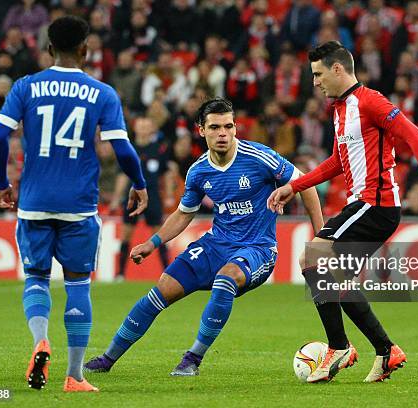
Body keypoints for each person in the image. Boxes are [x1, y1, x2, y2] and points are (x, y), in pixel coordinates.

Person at [83, 98, 323, 376]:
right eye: (215, 127)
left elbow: (307, 185)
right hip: (216, 244)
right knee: (162, 289)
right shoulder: (198, 171)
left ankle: (192, 359)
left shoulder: (259, 157)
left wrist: (321, 236)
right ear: (201, 130)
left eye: (228, 126)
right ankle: (108, 358)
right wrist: (153, 242)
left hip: (258, 248)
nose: (223, 133)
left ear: (235, 128)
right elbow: (184, 213)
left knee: (226, 278)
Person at [268, 41, 418, 383]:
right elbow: (339, 162)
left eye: (319, 74)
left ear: (338, 69)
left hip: (375, 204)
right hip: (365, 205)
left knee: (312, 258)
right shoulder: (340, 111)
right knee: (334, 278)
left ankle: (339, 347)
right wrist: (294, 185)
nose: (316, 82)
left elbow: (416, 137)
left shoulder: (371, 101)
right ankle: (386, 351)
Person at [0, 16, 148, 392]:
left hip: (34, 202)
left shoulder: (25, 86)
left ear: (48, 49)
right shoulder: (102, 92)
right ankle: (75, 376)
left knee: (36, 279)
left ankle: (41, 342)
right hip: (79, 205)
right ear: (85, 50)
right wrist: (139, 183)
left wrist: (1, 183)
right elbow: (121, 148)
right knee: (78, 285)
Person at [113, 117, 170, 280]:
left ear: (152, 128)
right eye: (141, 125)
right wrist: (117, 197)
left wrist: (169, 195)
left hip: (153, 196)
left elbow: (165, 173)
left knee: (159, 234)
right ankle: (120, 274)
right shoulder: (128, 149)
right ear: (135, 128)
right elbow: (122, 176)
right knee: (126, 234)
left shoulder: (159, 149)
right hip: (132, 196)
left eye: (147, 126)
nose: (144, 129)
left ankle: (167, 271)